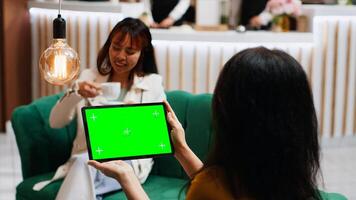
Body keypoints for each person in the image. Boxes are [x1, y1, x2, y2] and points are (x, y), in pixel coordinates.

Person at [88, 47, 324, 199]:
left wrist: (127, 177)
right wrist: (181, 149)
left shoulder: (207, 191)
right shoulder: (289, 185)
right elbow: (221, 187)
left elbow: (212, 191)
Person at [33, 17, 166, 200]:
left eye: (130, 51)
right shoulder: (89, 78)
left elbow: (158, 135)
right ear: (108, 46)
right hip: (88, 158)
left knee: (85, 165)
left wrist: (133, 120)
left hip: (128, 164)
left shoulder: (153, 84)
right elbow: (55, 122)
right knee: (86, 163)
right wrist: (76, 92)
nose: (120, 56)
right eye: (116, 47)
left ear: (143, 53)